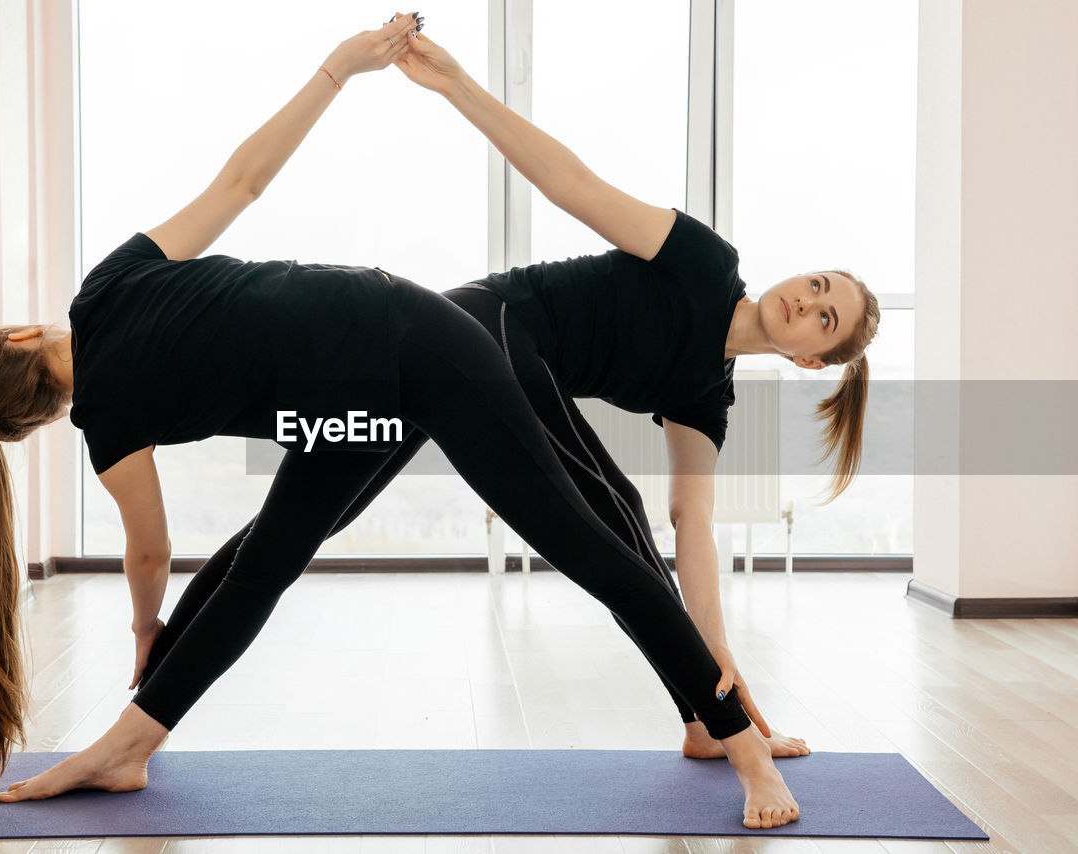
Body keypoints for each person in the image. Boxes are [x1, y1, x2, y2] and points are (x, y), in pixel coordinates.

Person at [0, 16, 802, 829]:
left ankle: (740, 746)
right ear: (22, 335)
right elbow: (243, 181)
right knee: (267, 556)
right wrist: (337, 71)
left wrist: (145, 628)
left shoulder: (104, 425)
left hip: (427, 361)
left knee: (577, 539)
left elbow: (149, 554)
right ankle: (128, 747)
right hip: (373, 378)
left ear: (34, 419)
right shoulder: (105, 285)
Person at [135, 21, 881, 773]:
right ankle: (710, 718)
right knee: (613, 504)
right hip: (480, 326)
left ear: (813, 359)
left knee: (291, 528)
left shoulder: (706, 397)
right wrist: (458, 84)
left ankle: (144, 702)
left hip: (447, 372)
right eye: (817, 285)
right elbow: (572, 185)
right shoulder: (706, 265)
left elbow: (692, 519)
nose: (806, 302)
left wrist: (715, 648)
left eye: (826, 317)